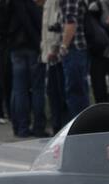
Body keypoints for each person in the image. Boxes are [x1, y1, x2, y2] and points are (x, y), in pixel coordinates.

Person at [1, 0, 46, 136]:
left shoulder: (8, 4)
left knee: (19, 90)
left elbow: (1, 26)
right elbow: (39, 22)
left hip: (15, 47)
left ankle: (21, 127)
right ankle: (38, 127)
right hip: (33, 47)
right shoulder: (31, 4)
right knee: (38, 89)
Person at [58, 0, 89, 120]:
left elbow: (71, 22)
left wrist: (63, 46)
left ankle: (78, 128)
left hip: (73, 48)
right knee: (80, 89)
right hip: (79, 49)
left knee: (75, 91)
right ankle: (84, 126)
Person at [41, 0, 68, 132]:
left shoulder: (55, 3)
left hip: (56, 54)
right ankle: (57, 125)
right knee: (53, 92)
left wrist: (53, 48)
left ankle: (61, 126)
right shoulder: (49, 3)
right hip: (51, 54)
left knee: (60, 93)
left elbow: (56, 26)